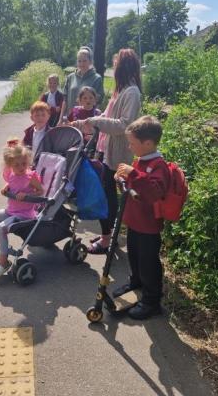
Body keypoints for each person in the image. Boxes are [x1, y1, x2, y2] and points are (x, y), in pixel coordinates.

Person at [71, 48, 142, 254]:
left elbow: (124, 124)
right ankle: (108, 235)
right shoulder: (121, 90)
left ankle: (106, 240)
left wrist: (96, 120)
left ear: (124, 66)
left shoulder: (132, 92)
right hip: (106, 149)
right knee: (106, 194)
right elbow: (110, 117)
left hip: (117, 153)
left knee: (109, 196)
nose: (113, 66)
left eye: (116, 63)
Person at [113, 115, 170, 320]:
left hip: (148, 226)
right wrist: (121, 178)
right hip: (135, 222)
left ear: (147, 143)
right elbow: (132, 186)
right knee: (135, 256)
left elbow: (154, 192)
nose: (129, 147)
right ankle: (136, 282)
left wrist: (133, 175)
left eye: (132, 143)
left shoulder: (158, 166)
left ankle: (151, 301)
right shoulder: (140, 160)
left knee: (148, 263)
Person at [0, 144, 43, 277]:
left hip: (25, 214)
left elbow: (41, 192)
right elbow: (12, 183)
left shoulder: (31, 176)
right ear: (10, 165)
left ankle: (3, 261)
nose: (21, 167)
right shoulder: (11, 175)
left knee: (1, 228)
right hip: (12, 210)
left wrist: (27, 196)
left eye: (24, 164)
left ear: (27, 162)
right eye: (17, 165)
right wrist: (6, 187)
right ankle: (1, 247)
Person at [60, 46, 105, 124]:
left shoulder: (97, 78)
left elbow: (98, 102)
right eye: (79, 61)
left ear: (90, 61)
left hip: (87, 122)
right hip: (70, 119)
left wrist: (94, 120)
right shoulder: (70, 77)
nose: (81, 63)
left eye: (84, 61)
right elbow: (65, 100)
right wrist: (61, 119)